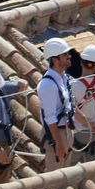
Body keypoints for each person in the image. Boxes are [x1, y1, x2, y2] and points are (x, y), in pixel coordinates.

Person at [36, 37, 75, 171]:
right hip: (57, 134)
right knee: (54, 175)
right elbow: (50, 118)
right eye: (64, 55)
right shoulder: (48, 84)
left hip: (66, 130)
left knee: (64, 172)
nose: (69, 57)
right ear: (54, 60)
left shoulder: (62, 78)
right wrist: (58, 144)